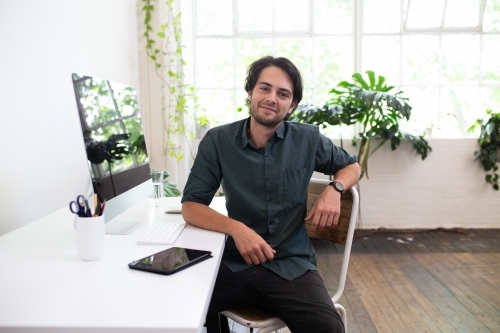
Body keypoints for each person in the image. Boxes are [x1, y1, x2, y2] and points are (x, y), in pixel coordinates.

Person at [181, 56, 360, 333]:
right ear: (250, 92)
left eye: (283, 93)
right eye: (264, 88)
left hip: (291, 265)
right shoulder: (218, 141)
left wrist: (335, 189)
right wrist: (237, 230)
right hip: (232, 263)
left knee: (328, 329)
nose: (271, 98)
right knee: (178, 312)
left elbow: (352, 166)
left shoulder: (307, 139)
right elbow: (191, 206)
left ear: (292, 105)